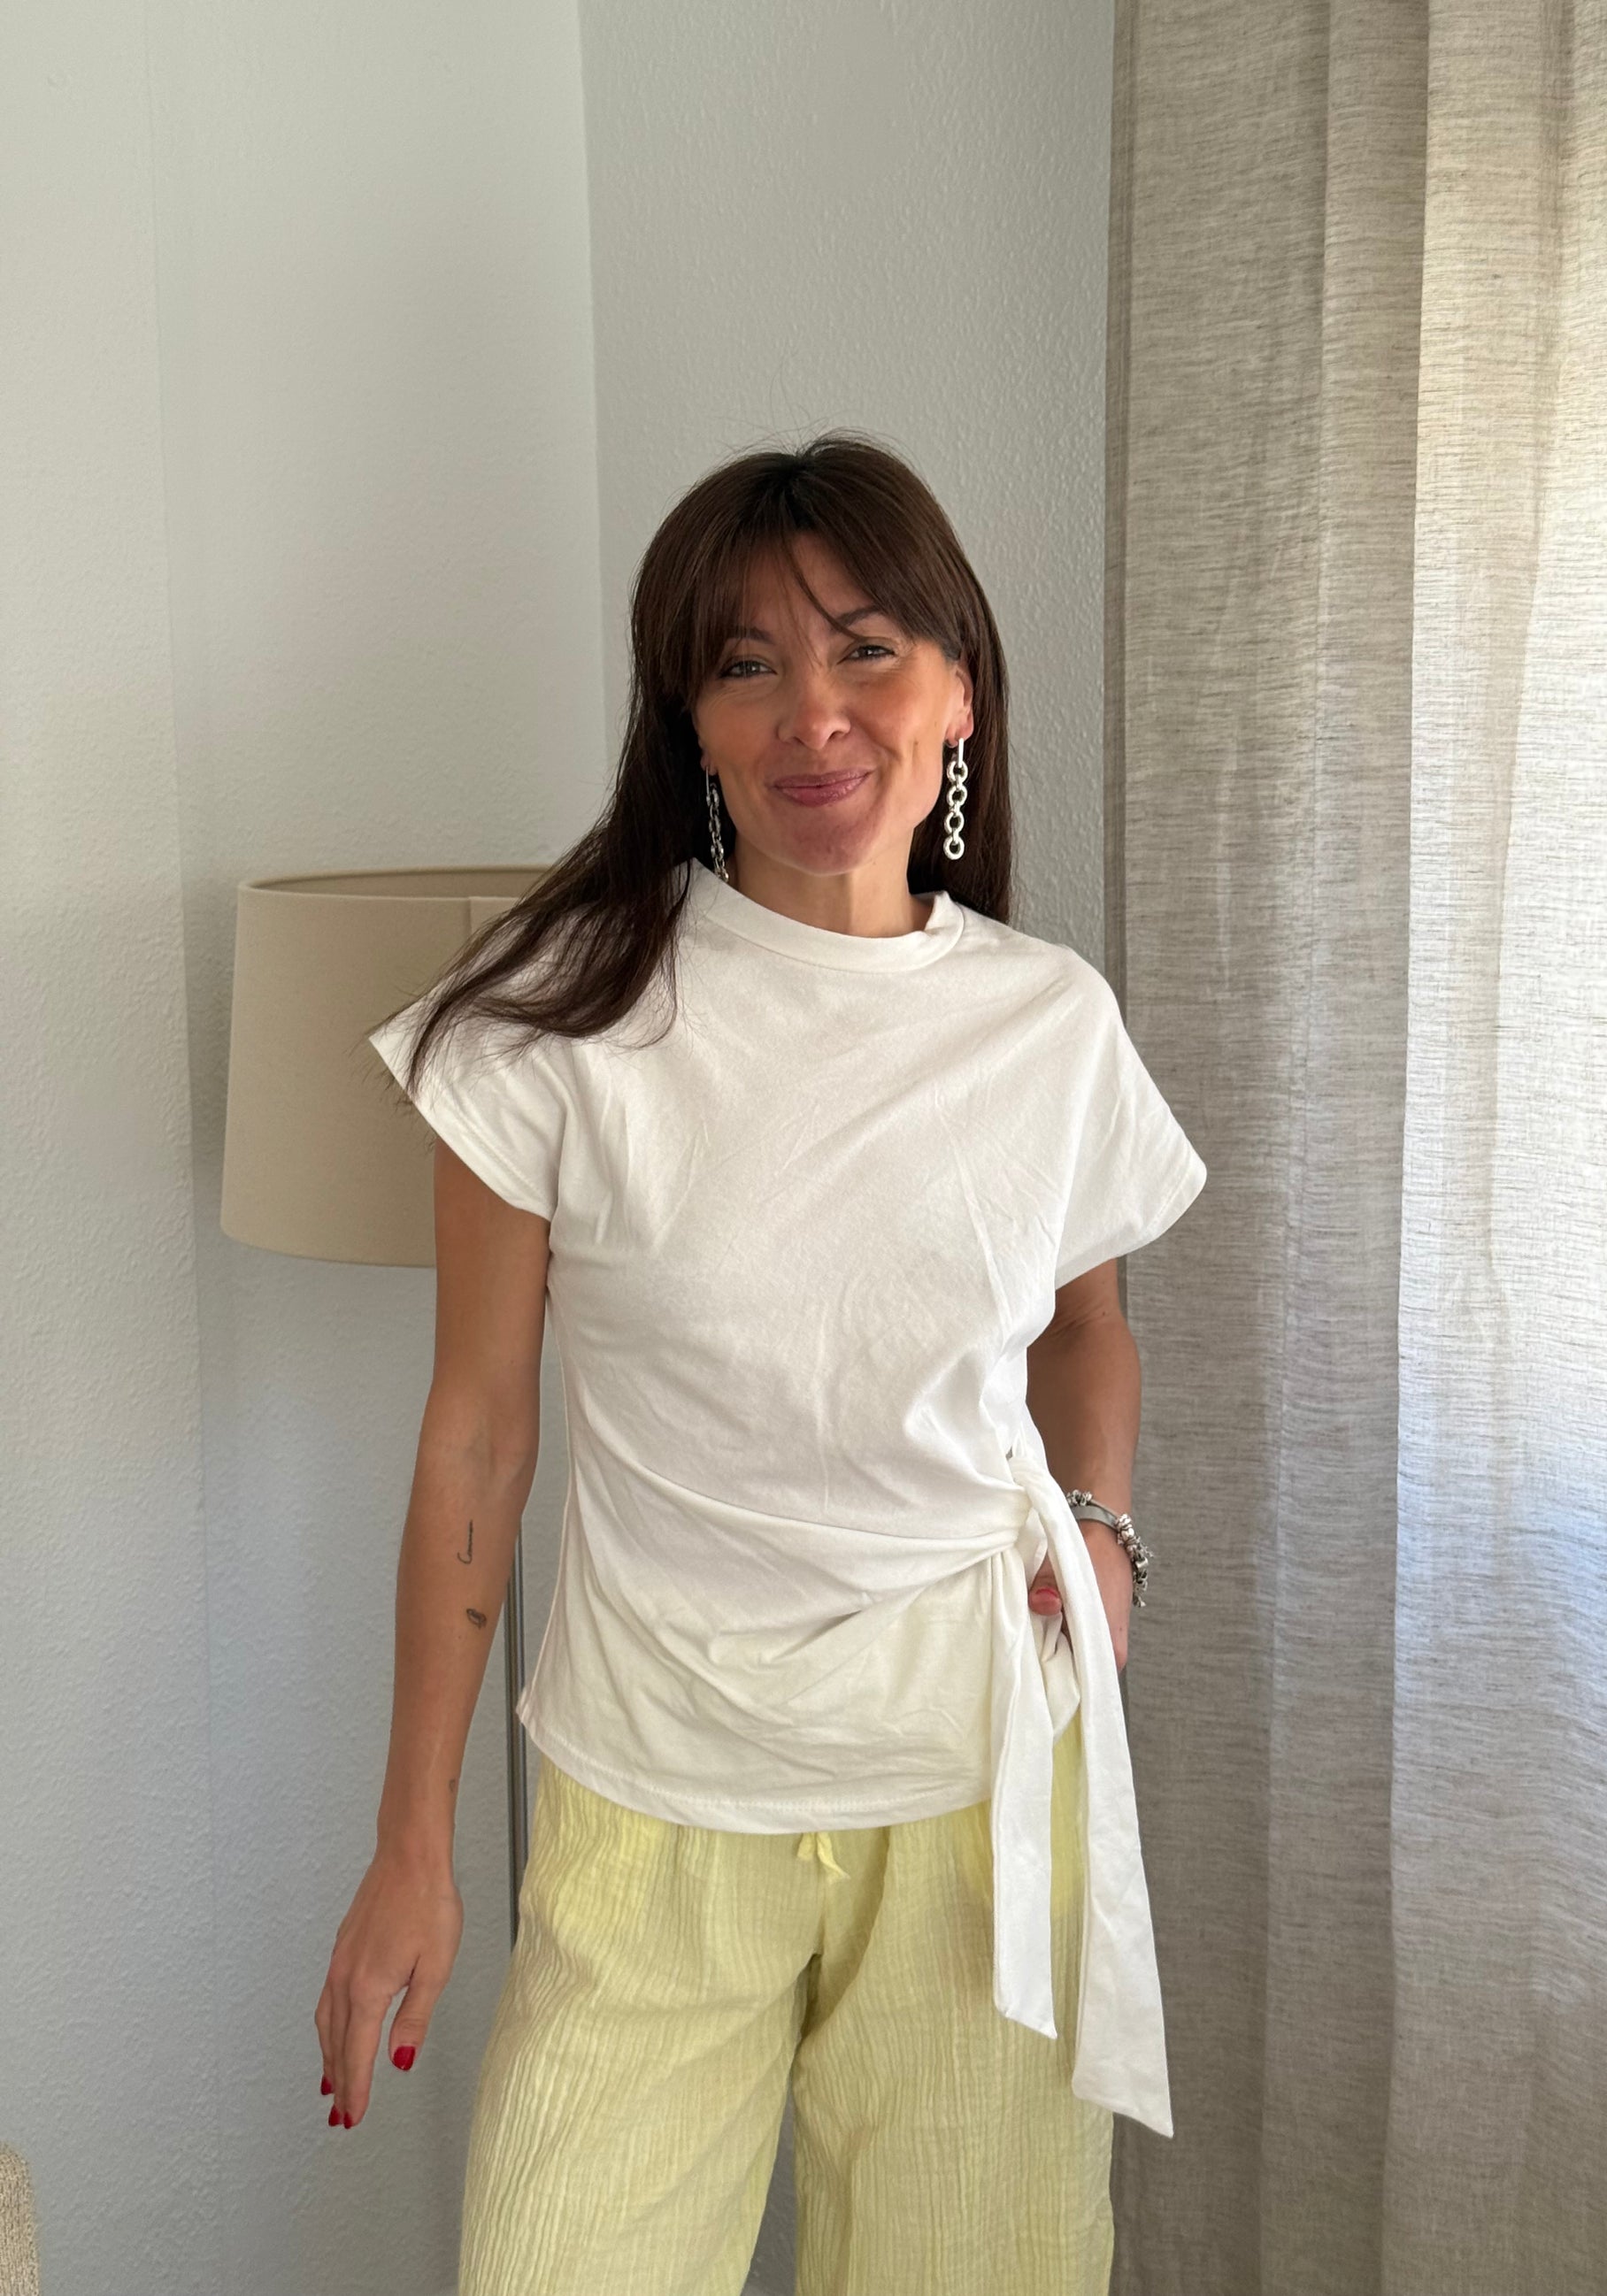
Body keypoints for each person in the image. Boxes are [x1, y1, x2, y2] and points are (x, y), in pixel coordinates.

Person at [314, 431, 1206, 2296]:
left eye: (867, 648)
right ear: (690, 724)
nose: (814, 712)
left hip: (978, 1785)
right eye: (747, 663)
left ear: (958, 692)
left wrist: (1106, 1533)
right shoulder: (554, 1022)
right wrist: (411, 1842)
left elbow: (1083, 1325)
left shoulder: (1047, 1022)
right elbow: (475, 1439)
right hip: (648, 1800)